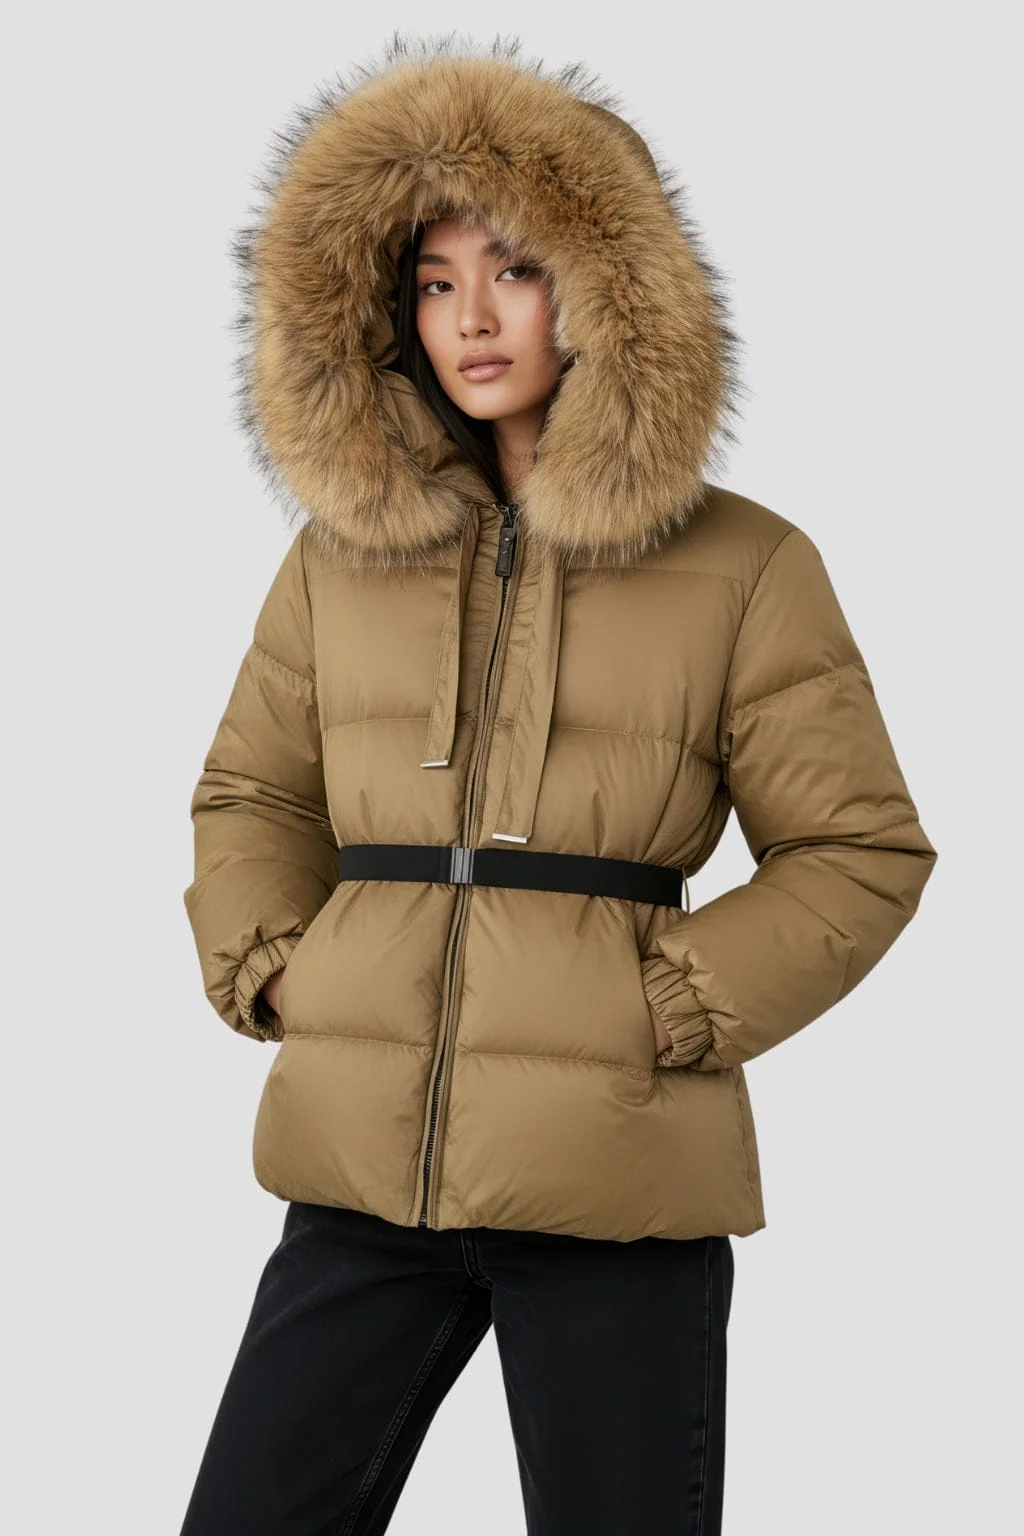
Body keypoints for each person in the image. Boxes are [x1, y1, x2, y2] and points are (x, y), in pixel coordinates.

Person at [179, 32, 938, 1536]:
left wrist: (663, 1010)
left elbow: (859, 851)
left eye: (515, 269)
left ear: (608, 288)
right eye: (433, 280)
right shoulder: (339, 560)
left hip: (616, 1179)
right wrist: (282, 968)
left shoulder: (749, 564)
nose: (471, 317)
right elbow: (252, 796)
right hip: (359, 1177)